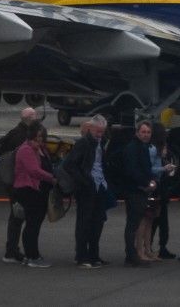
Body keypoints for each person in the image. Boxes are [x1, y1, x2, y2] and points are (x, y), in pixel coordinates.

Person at [0, 106, 38, 264]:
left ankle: (12, 250)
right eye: (35, 117)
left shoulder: (15, 132)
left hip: (12, 182)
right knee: (17, 217)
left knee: (16, 216)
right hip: (17, 183)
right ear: (30, 119)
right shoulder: (22, 136)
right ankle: (11, 251)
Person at [62, 114, 110, 268]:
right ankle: (81, 255)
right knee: (84, 222)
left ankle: (94, 254)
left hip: (99, 185)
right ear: (91, 129)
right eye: (98, 131)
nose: (100, 135)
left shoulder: (100, 143)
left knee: (98, 221)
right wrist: (84, 180)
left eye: (102, 132)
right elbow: (69, 165)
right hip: (87, 187)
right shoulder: (83, 143)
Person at [12, 121, 55, 268]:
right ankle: (31, 255)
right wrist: (52, 178)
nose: (39, 142)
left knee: (35, 224)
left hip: (38, 190)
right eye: (36, 139)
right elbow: (34, 171)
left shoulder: (40, 149)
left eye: (41, 139)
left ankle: (33, 253)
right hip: (28, 189)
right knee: (32, 223)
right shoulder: (26, 149)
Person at [122, 120, 160, 268]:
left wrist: (150, 181)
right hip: (134, 190)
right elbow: (132, 171)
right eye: (143, 132)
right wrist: (146, 183)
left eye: (148, 132)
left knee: (136, 223)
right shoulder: (133, 148)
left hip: (141, 189)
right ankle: (131, 255)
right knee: (133, 224)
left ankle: (133, 254)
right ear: (137, 132)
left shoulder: (143, 147)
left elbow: (146, 169)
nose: (146, 135)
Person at [147, 122, 176, 260]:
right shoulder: (155, 150)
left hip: (159, 186)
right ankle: (157, 246)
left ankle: (152, 245)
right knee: (158, 219)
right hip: (159, 186)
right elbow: (152, 168)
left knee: (157, 219)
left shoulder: (156, 149)